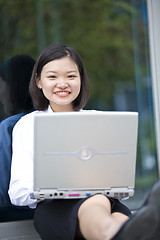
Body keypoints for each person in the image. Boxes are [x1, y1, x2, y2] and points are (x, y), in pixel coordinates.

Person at [8, 44, 160, 240]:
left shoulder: (100, 120)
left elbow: (122, 188)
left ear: (81, 80)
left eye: (71, 76)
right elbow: (17, 192)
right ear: (38, 81)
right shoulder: (27, 125)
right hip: (55, 208)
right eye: (52, 77)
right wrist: (54, 188)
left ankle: (125, 230)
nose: (62, 83)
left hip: (106, 201)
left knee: (112, 214)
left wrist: (114, 186)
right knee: (111, 221)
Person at [0, 55, 35, 220]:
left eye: (1, 85)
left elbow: (4, 192)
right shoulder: (53, 121)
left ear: (13, 87)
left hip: (18, 216)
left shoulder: (10, 127)